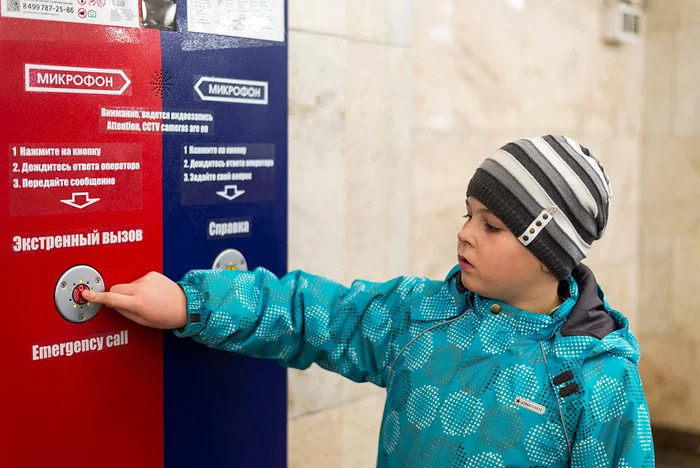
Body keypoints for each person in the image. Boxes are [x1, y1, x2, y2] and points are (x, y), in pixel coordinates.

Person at [84, 135, 655, 467]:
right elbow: (312, 313)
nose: (465, 234)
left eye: (494, 225)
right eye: (468, 215)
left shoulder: (597, 379)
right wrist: (192, 303)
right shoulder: (423, 315)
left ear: (548, 252)